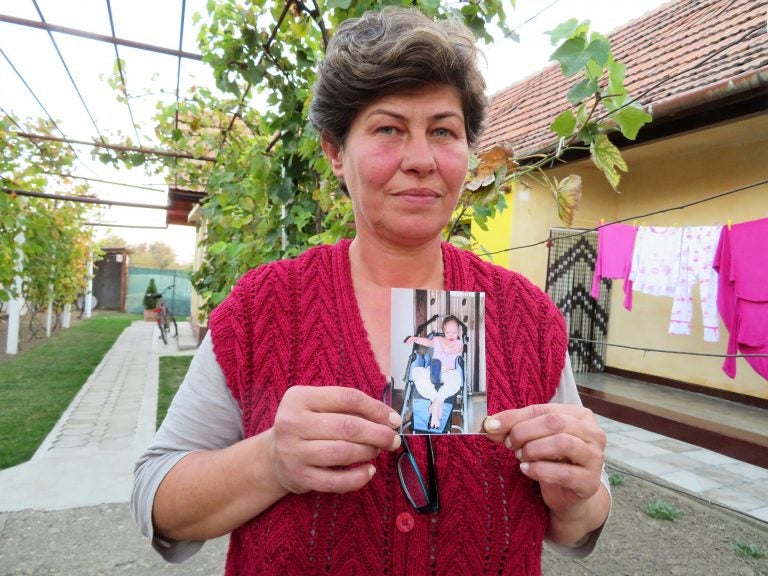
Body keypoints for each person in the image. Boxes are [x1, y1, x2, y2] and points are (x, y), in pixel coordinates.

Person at [132, 7, 611, 575]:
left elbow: (580, 521)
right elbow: (157, 499)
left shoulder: (524, 318)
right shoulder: (265, 308)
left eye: (443, 131)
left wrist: (579, 494)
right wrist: (269, 462)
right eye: (388, 128)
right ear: (337, 152)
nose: (421, 160)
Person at [405, 315, 464, 429]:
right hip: (433, 371)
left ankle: (435, 405)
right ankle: (436, 402)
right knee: (416, 371)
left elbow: (448, 350)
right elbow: (427, 342)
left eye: (454, 332)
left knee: (456, 379)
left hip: (449, 372)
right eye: (448, 332)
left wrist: (439, 339)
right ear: (443, 331)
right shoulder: (437, 340)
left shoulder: (459, 344)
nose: (451, 335)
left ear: (458, 332)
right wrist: (415, 339)